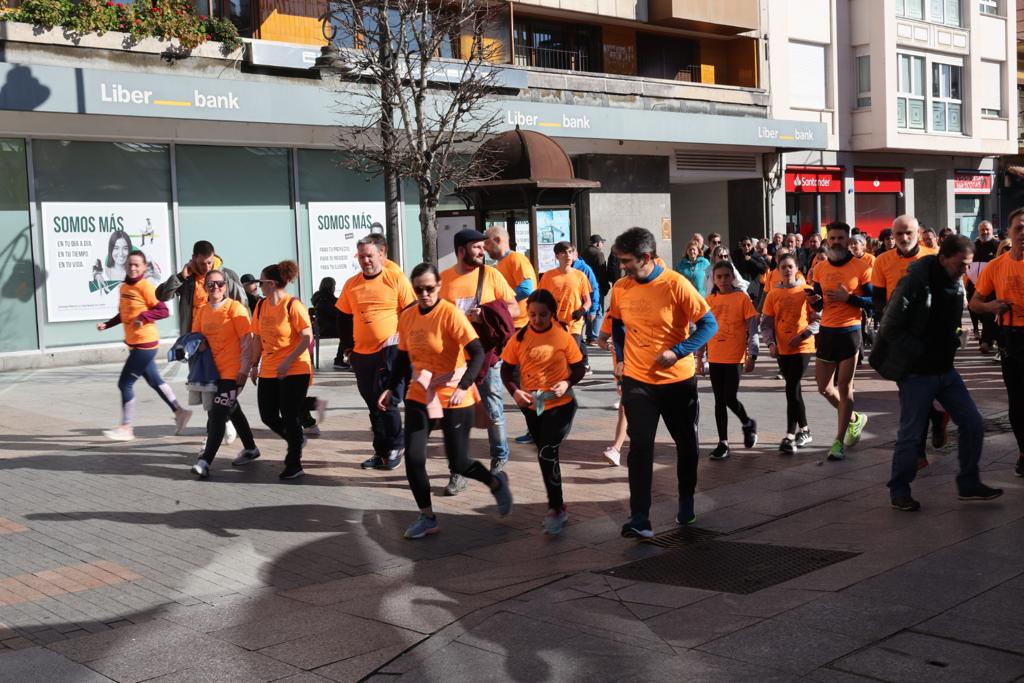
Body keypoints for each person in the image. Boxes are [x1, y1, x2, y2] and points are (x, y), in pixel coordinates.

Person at [378, 263, 513, 539]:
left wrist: (465, 386)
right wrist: (391, 388)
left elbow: (476, 353)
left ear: (438, 287)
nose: (424, 294)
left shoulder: (450, 314)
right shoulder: (408, 317)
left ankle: (496, 483)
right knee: (414, 459)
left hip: (453, 395)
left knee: (460, 462)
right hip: (421, 393)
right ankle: (427, 517)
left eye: (429, 288)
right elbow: (403, 356)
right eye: (419, 289)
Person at [599, 227, 718, 539]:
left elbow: (708, 324)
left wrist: (678, 352)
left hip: (678, 382)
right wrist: (622, 357)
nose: (621, 266)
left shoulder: (675, 284)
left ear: (646, 257)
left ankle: (687, 500)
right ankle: (639, 519)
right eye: (619, 260)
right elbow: (619, 324)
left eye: (626, 261)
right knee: (640, 447)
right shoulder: (622, 288)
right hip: (638, 380)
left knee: (686, 444)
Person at [874, 236, 1003, 510]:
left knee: (972, 422)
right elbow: (888, 327)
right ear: (943, 258)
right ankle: (899, 489)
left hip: (946, 369)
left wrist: (957, 335)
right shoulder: (914, 282)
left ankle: (968, 484)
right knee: (911, 433)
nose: (964, 271)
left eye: (968, 266)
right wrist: (921, 350)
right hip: (916, 372)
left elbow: (948, 323)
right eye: (961, 265)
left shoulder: (956, 284)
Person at [501, 289, 586, 534]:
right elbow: (506, 370)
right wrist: (515, 391)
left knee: (547, 452)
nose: (537, 320)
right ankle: (558, 504)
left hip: (561, 405)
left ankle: (555, 508)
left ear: (552, 314)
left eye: (543, 315)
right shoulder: (519, 339)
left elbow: (579, 367)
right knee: (545, 455)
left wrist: (567, 383)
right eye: (533, 315)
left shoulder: (562, 336)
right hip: (532, 406)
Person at [439, 229, 519, 491]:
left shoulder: (492, 275)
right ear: (461, 250)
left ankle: (499, 455)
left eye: (483, 247)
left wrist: (484, 315)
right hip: (454, 360)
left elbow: (515, 308)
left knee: (493, 409)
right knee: (455, 418)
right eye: (476, 248)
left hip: (486, 357)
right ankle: (457, 471)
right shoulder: (444, 280)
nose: (482, 252)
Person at [871, 215, 948, 460]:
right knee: (909, 391)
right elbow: (879, 299)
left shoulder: (933, 257)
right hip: (899, 336)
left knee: (916, 392)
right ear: (891, 236)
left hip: (929, 335)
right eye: (899, 234)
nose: (904, 238)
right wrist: (890, 321)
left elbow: (946, 293)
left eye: (908, 233)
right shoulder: (882, 260)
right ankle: (936, 418)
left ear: (918, 233)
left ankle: (917, 452)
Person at [336, 235, 415, 470]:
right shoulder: (352, 284)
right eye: (361, 256)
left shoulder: (395, 279)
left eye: (370, 255)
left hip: (389, 349)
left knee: (386, 401)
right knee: (372, 403)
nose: (366, 260)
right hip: (362, 354)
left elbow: (411, 314)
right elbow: (343, 317)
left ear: (381, 254)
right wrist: (349, 348)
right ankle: (381, 451)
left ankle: (397, 445)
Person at [157, 241, 248, 445]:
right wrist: (180, 277)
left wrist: (245, 344)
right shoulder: (187, 279)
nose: (207, 267)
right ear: (193, 259)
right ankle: (225, 425)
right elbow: (161, 295)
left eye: (209, 262)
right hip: (199, 346)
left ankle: (217, 432)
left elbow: (243, 305)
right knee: (209, 390)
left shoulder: (225, 275)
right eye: (202, 263)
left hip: (225, 345)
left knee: (220, 390)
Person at [97, 250, 192, 441]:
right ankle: (180, 412)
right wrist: (107, 324)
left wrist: (143, 317)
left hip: (145, 344)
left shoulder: (145, 287)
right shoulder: (124, 288)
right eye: (130, 264)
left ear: (144, 267)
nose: (132, 268)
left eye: (136, 265)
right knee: (155, 381)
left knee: (125, 383)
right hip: (135, 344)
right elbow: (124, 315)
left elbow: (163, 310)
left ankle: (126, 427)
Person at [188, 269, 259, 478]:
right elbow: (196, 337)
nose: (215, 288)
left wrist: (245, 369)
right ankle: (251, 448)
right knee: (230, 408)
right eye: (210, 285)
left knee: (217, 414)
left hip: (233, 371)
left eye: (219, 284)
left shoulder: (235, 308)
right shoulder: (202, 311)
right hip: (212, 373)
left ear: (226, 286)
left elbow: (248, 341)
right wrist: (197, 344)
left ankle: (205, 461)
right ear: (205, 288)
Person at [811, 222, 872, 461]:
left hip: (850, 331)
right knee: (824, 388)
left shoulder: (862, 266)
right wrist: (813, 300)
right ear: (827, 241)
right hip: (826, 331)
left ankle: (838, 441)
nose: (836, 242)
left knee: (845, 387)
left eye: (840, 238)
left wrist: (850, 299)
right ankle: (855, 419)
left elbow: (873, 301)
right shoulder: (819, 268)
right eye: (832, 238)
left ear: (848, 240)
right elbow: (818, 303)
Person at [969, 208, 1024, 477]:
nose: (1023, 233)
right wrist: (991, 306)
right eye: (1019, 228)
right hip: (1010, 338)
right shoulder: (996, 266)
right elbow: (974, 302)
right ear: (1009, 233)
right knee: (1016, 401)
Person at [249, 260, 313, 480]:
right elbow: (256, 338)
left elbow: (307, 338)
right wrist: (253, 364)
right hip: (268, 368)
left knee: (289, 415)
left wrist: (288, 361)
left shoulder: (292, 305)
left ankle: (294, 463)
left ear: (272, 283)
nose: (258, 286)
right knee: (267, 415)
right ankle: (296, 439)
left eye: (261, 282)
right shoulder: (260, 306)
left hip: (294, 368)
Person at [698, 261, 759, 460]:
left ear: (733, 277)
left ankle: (747, 422)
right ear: (713, 279)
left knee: (729, 397)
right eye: (719, 277)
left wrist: (752, 355)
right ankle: (723, 442)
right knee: (718, 401)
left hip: (734, 356)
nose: (723, 280)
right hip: (715, 356)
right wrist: (700, 358)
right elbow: (702, 332)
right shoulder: (709, 301)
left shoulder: (742, 298)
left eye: (726, 276)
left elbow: (752, 330)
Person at [761, 253, 818, 452]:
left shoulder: (806, 290)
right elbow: (766, 324)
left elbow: (818, 318)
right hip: (782, 348)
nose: (787, 270)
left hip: (803, 346)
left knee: (791, 387)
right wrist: (770, 344)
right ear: (778, 270)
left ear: (796, 268)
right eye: (783, 267)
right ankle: (805, 430)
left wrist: (802, 336)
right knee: (794, 391)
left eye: (790, 266)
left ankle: (789, 436)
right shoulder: (773, 294)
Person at [539, 241, 592, 364]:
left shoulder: (580, 275)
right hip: (554, 323)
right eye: (563, 253)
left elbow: (588, 301)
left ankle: (569, 379)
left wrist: (581, 311)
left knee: (571, 357)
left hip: (574, 324)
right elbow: (540, 299)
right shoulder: (548, 276)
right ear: (557, 256)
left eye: (570, 252)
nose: (568, 256)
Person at [484, 226, 536, 332]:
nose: (484, 247)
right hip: (510, 322)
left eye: (487, 243)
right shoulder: (500, 263)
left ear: (498, 240)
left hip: (520, 325)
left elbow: (526, 289)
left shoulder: (516, 258)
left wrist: (499, 305)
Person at [971, 220, 1000, 354]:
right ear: (978, 232)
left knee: (989, 313)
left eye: (987, 229)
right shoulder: (974, 246)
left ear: (992, 230)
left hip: (993, 286)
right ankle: (989, 337)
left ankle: (986, 341)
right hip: (974, 285)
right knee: (979, 313)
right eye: (982, 230)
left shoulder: (997, 245)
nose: (985, 232)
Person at [581, 234, 610, 344]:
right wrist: (605, 286)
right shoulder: (598, 254)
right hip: (596, 286)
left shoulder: (584, 253)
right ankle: (593, 336)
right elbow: (602, 272)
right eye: (602, 242)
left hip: (584, 286)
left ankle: (589, 336)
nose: (602, 244)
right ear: (597, 243)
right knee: (598, 311)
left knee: (588, 310)